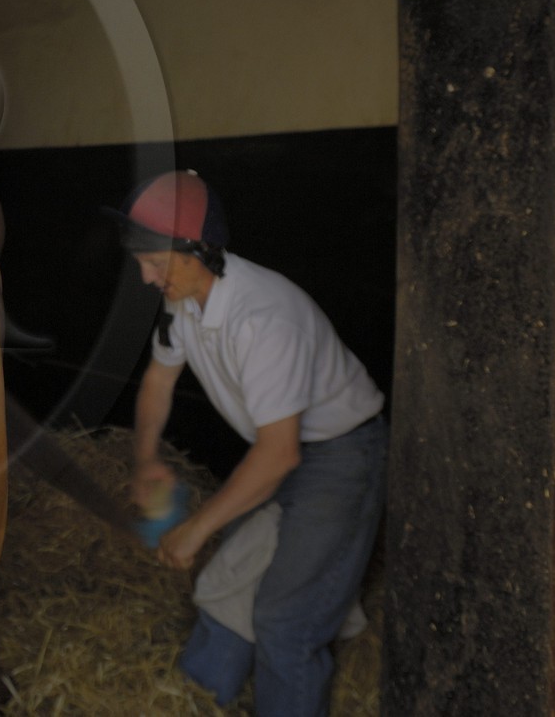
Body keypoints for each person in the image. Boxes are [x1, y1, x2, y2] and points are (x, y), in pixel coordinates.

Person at [115, 170, 387, 716]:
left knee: (285, 621)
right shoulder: (184, 298)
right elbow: (158, 381)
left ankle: (315, 621)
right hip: (280, 450)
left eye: (155, 262)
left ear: (198, 251)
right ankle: (194, 700)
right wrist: (146, 460)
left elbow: (279, 454)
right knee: (230, 576)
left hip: (340, 457)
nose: (146, 277)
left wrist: (196, 527)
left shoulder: (263, 318)